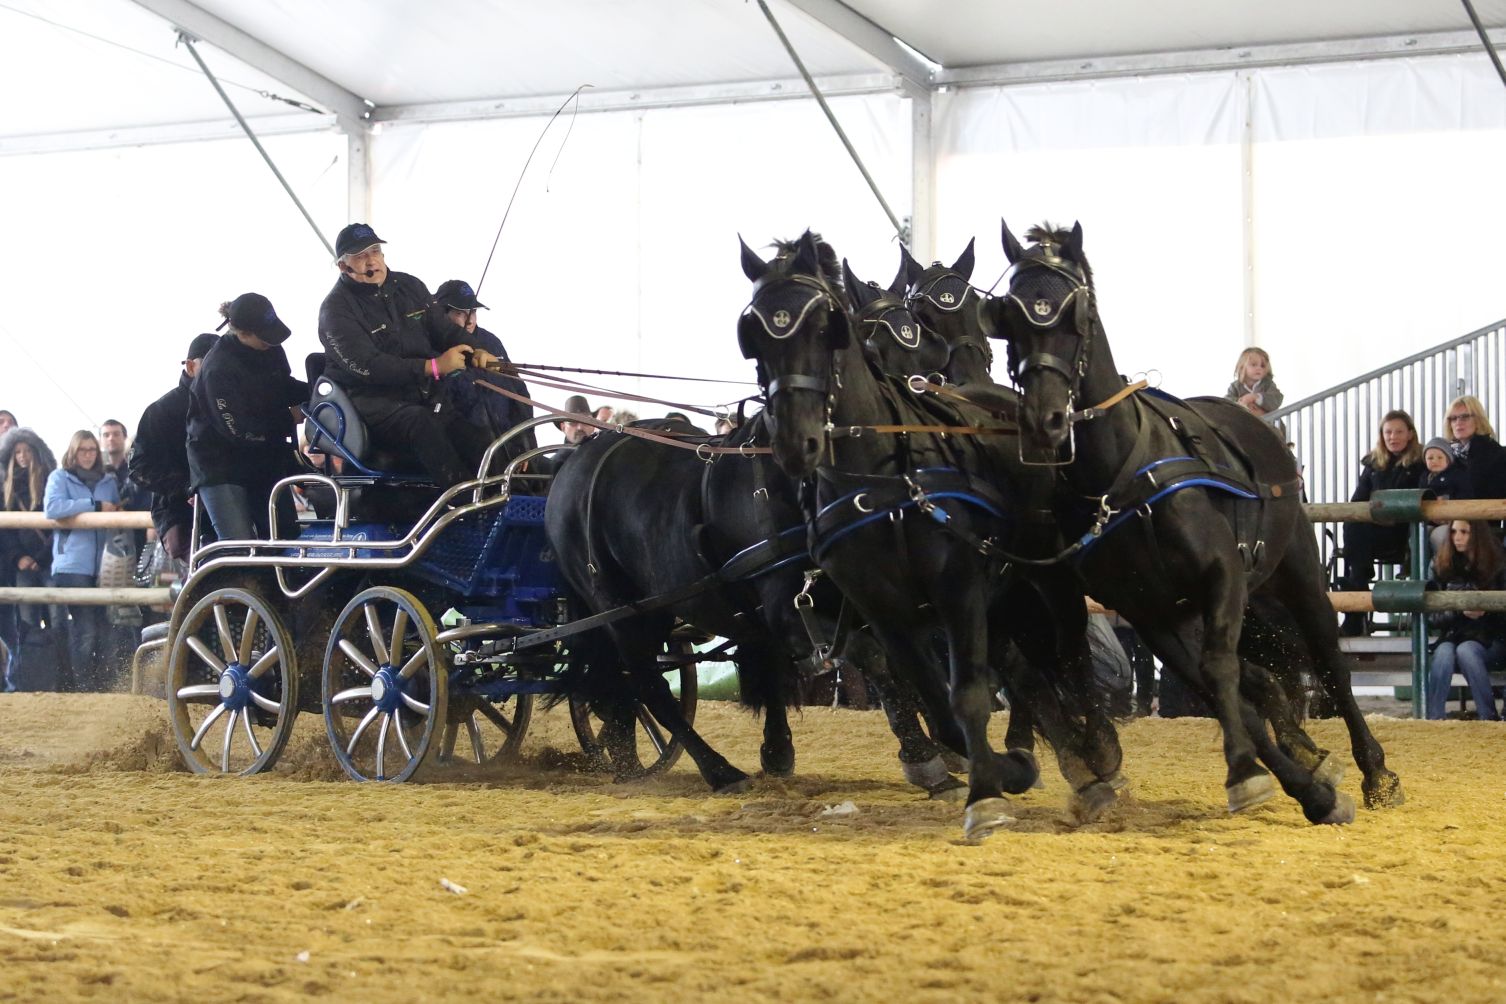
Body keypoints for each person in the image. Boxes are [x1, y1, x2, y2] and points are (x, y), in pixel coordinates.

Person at [317, 224, 496, 485]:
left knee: (481, 441)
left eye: (375, 251)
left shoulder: (411, 287)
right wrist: (433, 367)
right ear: (344, 267)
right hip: (373, 405)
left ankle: (502, 503)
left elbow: (444, 331)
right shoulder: (335, 309)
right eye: (360, 256)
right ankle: (465, 505)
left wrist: (476, 349)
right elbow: (369, 366)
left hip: (425, 399)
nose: (372, 260)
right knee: (422, 424)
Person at [187, 294, 308, 542]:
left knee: (283, 535)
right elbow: (237, 430)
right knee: (239, 542)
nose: (270, 343)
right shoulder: (217, 369)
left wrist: (316, 391)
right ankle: (237, 579)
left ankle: (282, 578)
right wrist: (288, 417)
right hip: (220, 465)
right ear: (242, 333)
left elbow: (283, 385)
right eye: (263, 337)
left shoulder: (271, 349)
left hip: (263, 457)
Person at [130, 333, 219, 566]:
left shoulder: (225, 406)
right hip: (181, 515)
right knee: (208, 580)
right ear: (191, 366)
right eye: (211, 364)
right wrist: (186, 487)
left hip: (222, 509)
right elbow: (139, 467)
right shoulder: (161, 411)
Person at [43, 430, 120, 691]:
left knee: (104, 628)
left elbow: (117, 511)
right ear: (73, 452)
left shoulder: (108, 480)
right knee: (85, 629)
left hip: (107, 564)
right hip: (71, 564)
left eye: (91, 450)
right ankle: (82, 687)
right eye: (82, 450)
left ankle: (102, 685)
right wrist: (94, 506)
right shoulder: (59, 477)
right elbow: (52, 508)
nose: (87, 455)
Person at [1338, 410, 1426, 636]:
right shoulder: (1373, 464)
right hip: (1373, 530)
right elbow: (1358, 500)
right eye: (1388, 432)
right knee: (1353, 524)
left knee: (1358, 534)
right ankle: (1357, 585)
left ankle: (1355, 592)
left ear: (1410, 434)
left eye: (1398, 431)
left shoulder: (1421, 462)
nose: (1393, 437)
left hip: (1405, 532)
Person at [431, 279, 536, 461]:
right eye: (460, 313)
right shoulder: (431, 348)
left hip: (508, 445)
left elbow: (519, 393)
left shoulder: (491, 343)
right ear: (442, 313)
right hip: (465, 451)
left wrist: (525, 442)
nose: (470, 319)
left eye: (473, 312)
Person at [1425, 519, 1506, 721]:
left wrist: (1487, 610)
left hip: (1490, 638)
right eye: (1453, 532)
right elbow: (1432, 618)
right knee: (1444, 652)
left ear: (1477, 535)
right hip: (1453, 636)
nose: (1456, 537)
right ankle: (1433, 720)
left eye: (1464, 532)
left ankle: (1488, 716)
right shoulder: (1441, 565)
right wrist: (1460, 610)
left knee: (1466, 650)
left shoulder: (1498, 565)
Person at [0, 428, 55, 691]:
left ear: (36, 452)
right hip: (21, 565)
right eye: (17, 452)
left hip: (48, 562)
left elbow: (58, 527)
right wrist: (18, 557)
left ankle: (58, 677)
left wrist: (40, 558)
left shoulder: (50, 481)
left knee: (57, 617)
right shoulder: (5, 488)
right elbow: (5, 533)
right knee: (25, 624)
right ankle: (27, 682)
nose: (22, 456)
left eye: (26, 451)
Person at [1443, 395, 1506, 502]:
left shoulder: (1496, 455)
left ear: (1478, 420)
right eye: (1453, 418)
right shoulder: (1444, 454)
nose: (1458, 422)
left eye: (1465, 417)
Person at [1225, 347, 1284, 418]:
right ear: (1242, 367)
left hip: (1269, 425)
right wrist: (1241, 401)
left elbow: (1277, 399)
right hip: (1244, 422)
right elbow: (1226, 401)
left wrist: (1256, 397)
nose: (1259, 368)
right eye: (1253, 365)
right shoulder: (1235, 386)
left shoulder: (1268, 384)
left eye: (1263, 366)